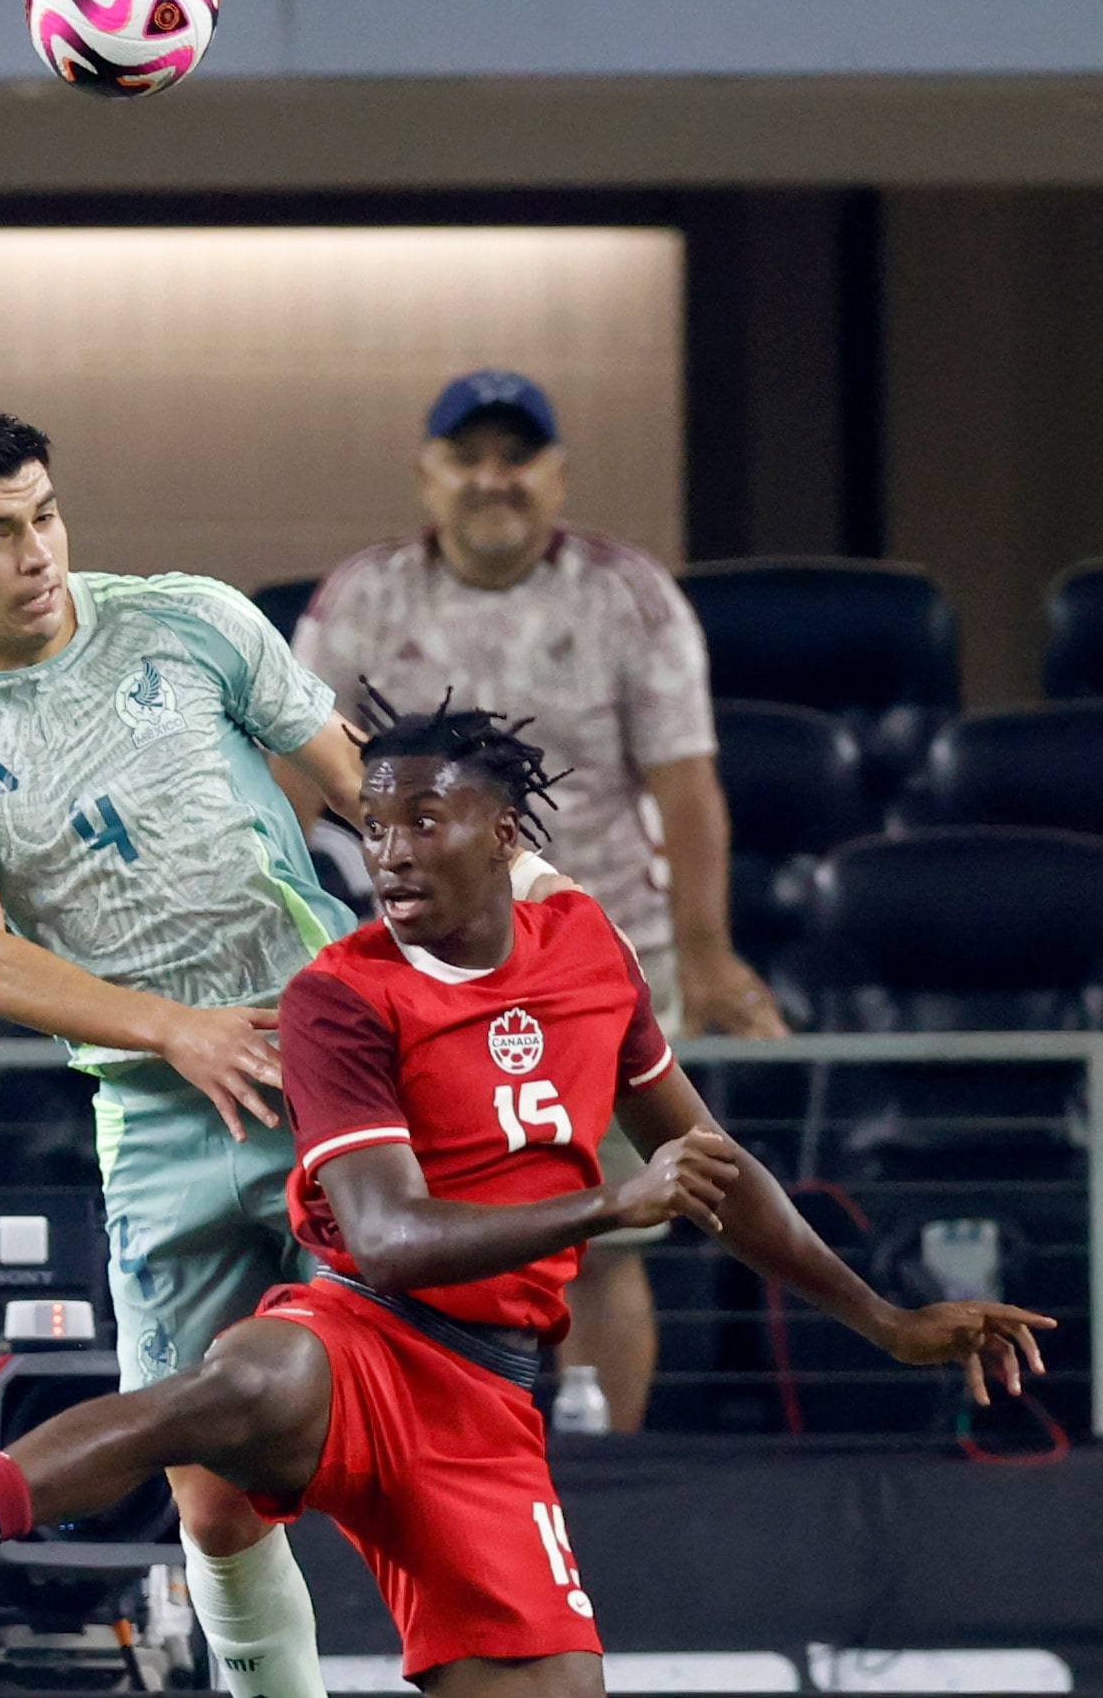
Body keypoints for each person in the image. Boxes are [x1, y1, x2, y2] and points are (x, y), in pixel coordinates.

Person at [0, 696, 1053, 1696]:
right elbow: (383, 1237)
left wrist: (882, 1320)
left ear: (506, 832)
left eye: (422, 819)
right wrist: (606, 1206)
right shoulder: (342, 993)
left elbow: (714, 1163)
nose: (388, 848)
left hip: (490, 1407)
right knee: (219, 1394)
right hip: (368, 1333)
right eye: (370, 823)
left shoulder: (586, 949)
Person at [0, 402, 376, 1698]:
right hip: (155, 1117)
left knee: (402, 1429)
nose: (36, 553)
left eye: (45, 515)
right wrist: (173, 1030)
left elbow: (368, 791)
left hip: (333, 1071)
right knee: (204, 1493)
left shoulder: (189, 618)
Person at [293, 368, 788, 1432]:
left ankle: (605, 1463)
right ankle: (441, 1444)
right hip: (420, 972)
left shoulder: (628, 595)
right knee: (432, 1226)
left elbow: (685, 784)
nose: (492, 482)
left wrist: (705, 954)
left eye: (516, 459)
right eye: (466, 459)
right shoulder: (363, 595)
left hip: (599, 962)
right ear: (427, 477)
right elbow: (302, 772)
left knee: (611, 1242)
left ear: (556, 476)